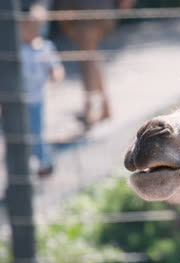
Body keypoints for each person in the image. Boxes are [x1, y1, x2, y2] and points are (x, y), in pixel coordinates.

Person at [54, 0, 136, 128]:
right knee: (90, 55)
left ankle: (89, 108)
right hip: (86, 10)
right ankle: (104, 106)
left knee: (87, 57)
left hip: (87, 10)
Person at [20, 5, 65, 177]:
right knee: (16, 133)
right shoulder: (16, 49)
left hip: (36, 98)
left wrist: (56, 76)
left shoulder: (45, 47)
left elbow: (55, 67)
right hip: (17, 99)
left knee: (36, 133)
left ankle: (44, 162)